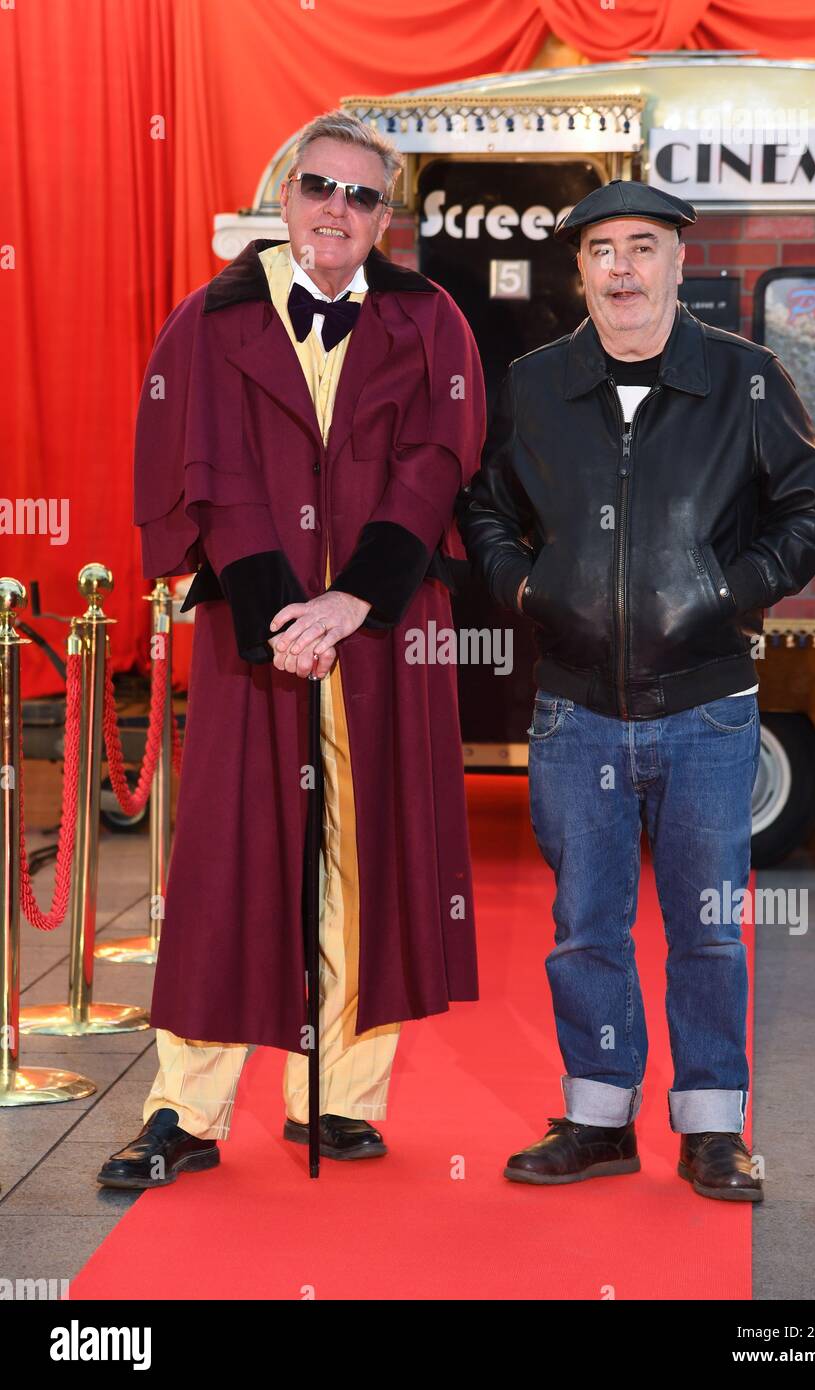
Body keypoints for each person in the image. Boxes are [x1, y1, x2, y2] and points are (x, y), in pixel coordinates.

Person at [98, 109, 486, 1189]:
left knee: (376, 858)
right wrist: (285, 610)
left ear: (384, 219)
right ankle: (185, 1105)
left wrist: (356, 599)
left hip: (384, 631)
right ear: (285, 197)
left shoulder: (430, 319)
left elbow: (438, 459)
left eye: (364, 196)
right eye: (322, 185)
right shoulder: (208, 319)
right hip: (252, 630)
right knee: (228, 860)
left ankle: (337, 1100)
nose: (339, 209)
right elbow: (197, 471)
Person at [457, 179, 815, 1201]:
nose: (622, 269)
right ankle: (596, 1120)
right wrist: (525, 585)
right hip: (574, 703)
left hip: (707, 705)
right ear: (578, 271)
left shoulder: (745, 379)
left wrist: (729, 590)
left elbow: (811, 510)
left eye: (642, 247)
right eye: (601, 252)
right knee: (584, 923)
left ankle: (712, 1128)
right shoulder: (535, 384)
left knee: (707, 924)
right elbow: (483, 508)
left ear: (679, 262)